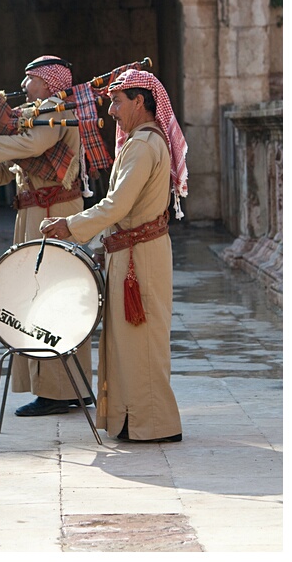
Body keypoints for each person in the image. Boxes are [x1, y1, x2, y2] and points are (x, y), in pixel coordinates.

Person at [40, 68, 188, 442]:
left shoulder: (142, 144)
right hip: (133, 252)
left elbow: (118, 204)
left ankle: (154, 424)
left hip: (141, 257)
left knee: (142, 340)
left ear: (140, 101)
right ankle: (131, 422)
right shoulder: (143, 140)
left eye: (118, 102)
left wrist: (71, 224)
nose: (112, 112)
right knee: (125, 342)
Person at [0, 55, 93, 417]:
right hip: (33, 214)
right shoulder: (34, 116)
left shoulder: (56, 110)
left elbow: (33, 145)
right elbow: (8, 175)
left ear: (49, 82)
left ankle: (60, 391)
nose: (23, 85)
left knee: (52, 295)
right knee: (37, 296)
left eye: (29, 78)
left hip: (55, 214)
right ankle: (67, 386)